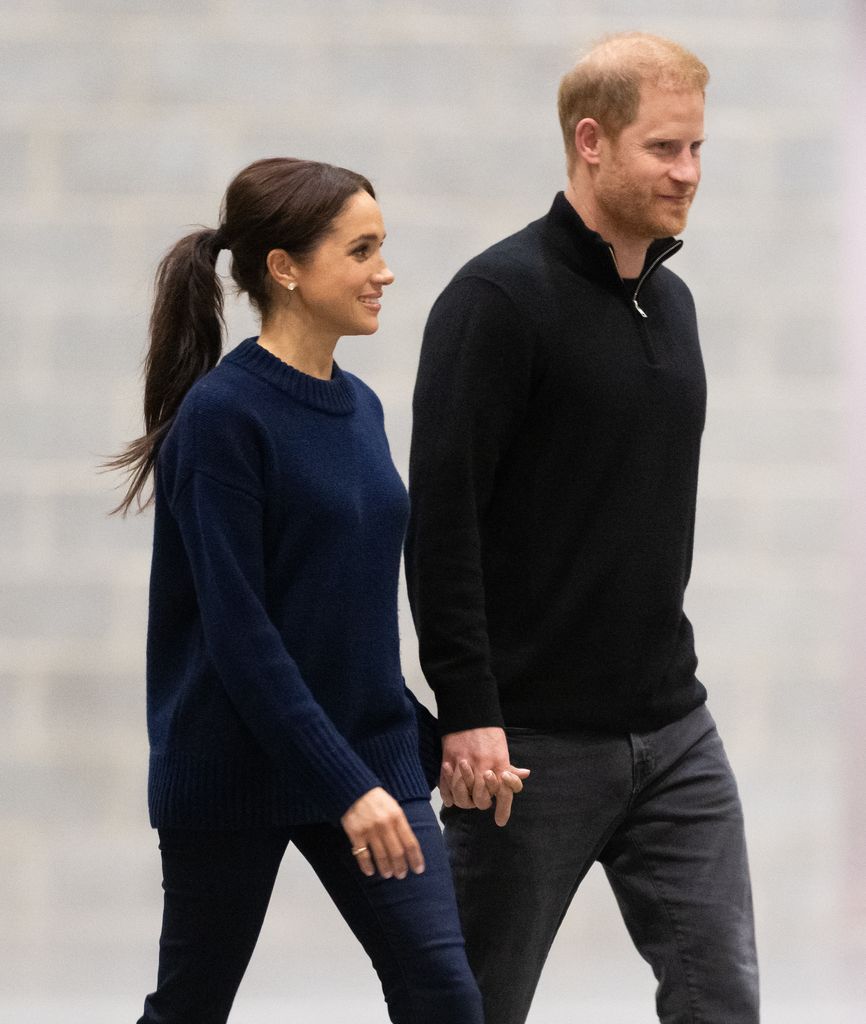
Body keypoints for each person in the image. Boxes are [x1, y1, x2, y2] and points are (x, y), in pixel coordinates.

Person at [406, 32, 760, 1024]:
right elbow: (441, 525)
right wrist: (469, 709)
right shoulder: (496, 301)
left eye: (696, 149)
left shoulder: (671, 303)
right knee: (467, 1009)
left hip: (672, 729)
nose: (686, 172)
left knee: (721, 1001)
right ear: (589, 141)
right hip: (526, 748)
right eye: (663, 149)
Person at [108, 157, 487, 1024]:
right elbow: (244, 641)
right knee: (191, 1009)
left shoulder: (360, 408)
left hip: (365, 759)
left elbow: (343, 628)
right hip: (234, 767)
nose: (384, 271)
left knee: (446, 999)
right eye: (361, 251)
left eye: (382, 247)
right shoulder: (222, 418)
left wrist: (431, 746)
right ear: (285, 267)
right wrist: (348, 786)